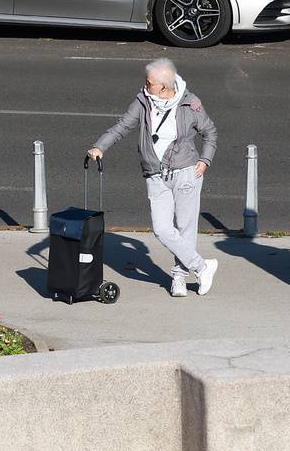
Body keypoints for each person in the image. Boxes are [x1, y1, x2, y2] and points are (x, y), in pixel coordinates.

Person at [86, 56, 219, 298]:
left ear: (164, 87)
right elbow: (122, 126)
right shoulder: (143, 101)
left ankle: (178, 279)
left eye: (149, 83)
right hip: (155, 175)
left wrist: (204, 160)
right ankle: (202, 266)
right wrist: (100, 147)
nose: (145, 86)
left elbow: (210, 132)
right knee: (162, 229)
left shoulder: (190, 104)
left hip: (186, 172)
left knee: (185, 228)